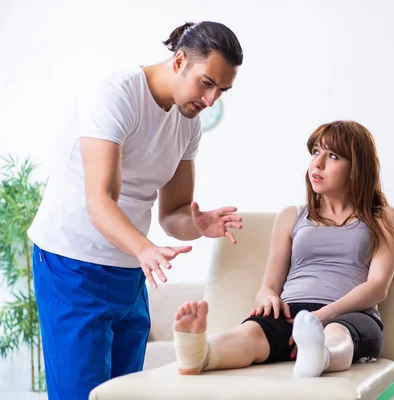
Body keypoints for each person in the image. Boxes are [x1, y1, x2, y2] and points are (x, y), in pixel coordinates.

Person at [27, 21, 244, 399]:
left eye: (222, 91)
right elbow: (100, 202)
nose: (211, 100)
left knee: (122, 393)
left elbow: (173, 213)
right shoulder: (116, 93)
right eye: (207, 83)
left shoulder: (187, 123)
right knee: (80, 393)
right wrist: (145, 249)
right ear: (179, 61)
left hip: (129, 271)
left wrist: (199, 224)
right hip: (72, 263)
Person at [171, 120, 394, 378]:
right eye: (315, 152)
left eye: (333, 156)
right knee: (250, 334)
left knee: (336, 335)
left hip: (351, 314)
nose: (318, 163)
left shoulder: (381, 217)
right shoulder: (291, 216)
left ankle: (320, 355)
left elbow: (378, 287)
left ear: (356, 169)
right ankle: (200, 353)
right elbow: (268, 286)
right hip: (292, 311)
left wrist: (323, 315)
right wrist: (268, 299)